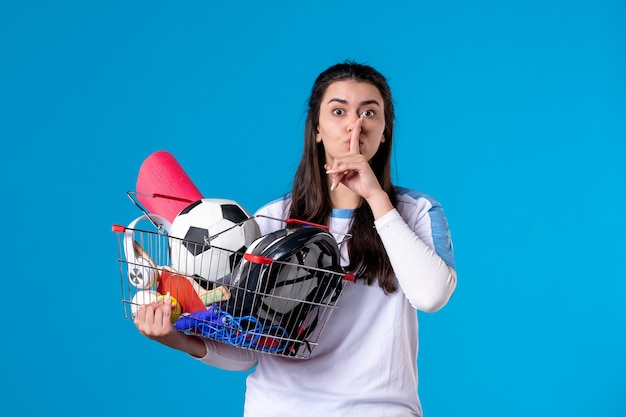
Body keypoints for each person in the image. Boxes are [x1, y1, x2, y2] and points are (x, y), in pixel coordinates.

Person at [134, 61, 457, 416]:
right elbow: (247, 350)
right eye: (339, 111)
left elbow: (431, 296)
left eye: (370, 112)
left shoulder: (416, 212)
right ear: (317, 129)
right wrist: (174, 338)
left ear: (384, 132)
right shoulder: (270, 221)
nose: (355, 124)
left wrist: (376, 198)